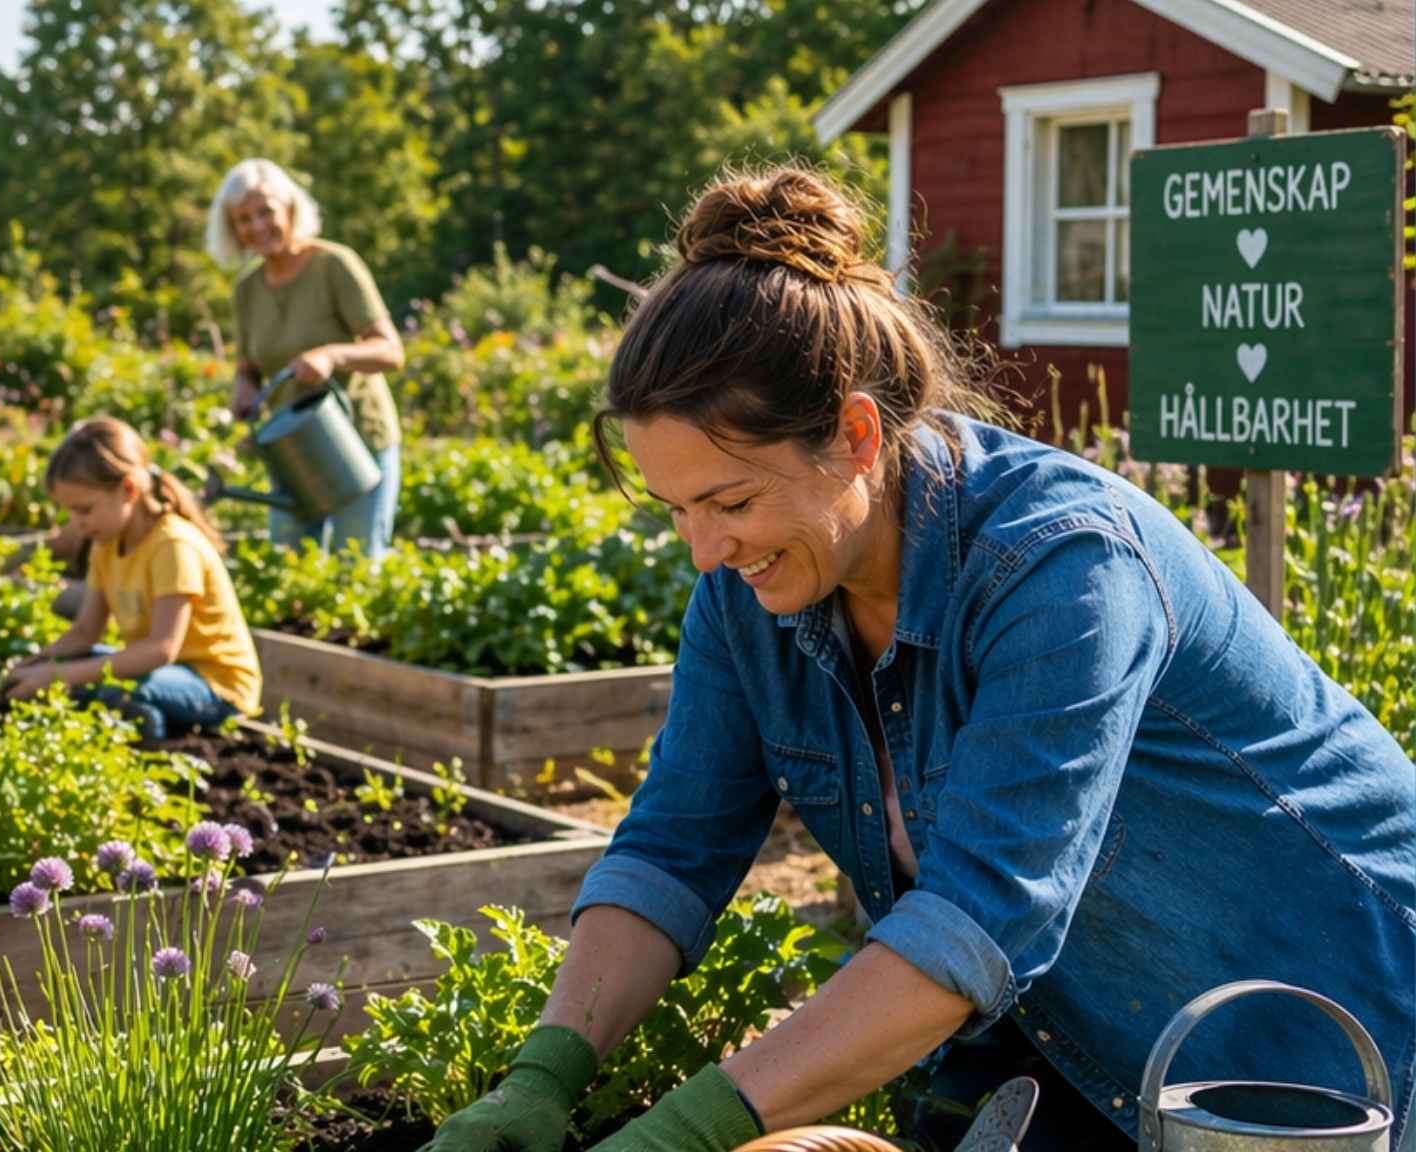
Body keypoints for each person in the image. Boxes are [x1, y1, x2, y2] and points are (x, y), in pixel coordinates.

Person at [422, 168, 1416, 1152]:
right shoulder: (747, 599)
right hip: (1091, 1042)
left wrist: (683, 1132)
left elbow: (978, 919)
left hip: (1336, 1041)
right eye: (675, 509)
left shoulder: (1060, 572)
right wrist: (541, 1077)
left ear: (854, 435)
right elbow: (669, 851)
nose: (702, 550)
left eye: (728, 502)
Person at [0, 416, 262, 741]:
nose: (76, 523)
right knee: (87, 668)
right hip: (157, 673)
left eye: (84, 509)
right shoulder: (104, 545)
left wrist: (58, 676)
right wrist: (36, 663)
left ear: (128, 490)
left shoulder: (173, 546)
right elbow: (84, 632)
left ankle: (151, 729)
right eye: (70, 511)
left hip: (213, 686)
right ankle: (134, 712)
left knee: (100, 681)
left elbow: (161, 649)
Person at [207, 158, 406, 560]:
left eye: (266, 212)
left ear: (290, 208)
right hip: (292, 452)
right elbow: (248, 365)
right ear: (233, 231)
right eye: (244, 219)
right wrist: (243, 389)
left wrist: (333, 356)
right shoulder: (247, 290)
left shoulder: (334, 265)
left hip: (355, 442)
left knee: (356, 567)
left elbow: (390, 351)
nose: (258, 226)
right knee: (290, 565)